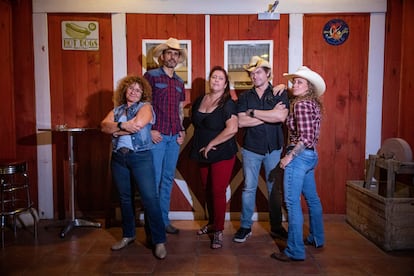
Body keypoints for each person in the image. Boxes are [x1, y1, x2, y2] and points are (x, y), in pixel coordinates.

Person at [100, 75, 167, 259]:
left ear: (142, 94)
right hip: (119, 159)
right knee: (125, 199)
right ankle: (128, 235)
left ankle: (159, 240)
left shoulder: (145, 107)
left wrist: (115, 131)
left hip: (140, 157)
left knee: (150, 198)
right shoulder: (117, 110)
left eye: (138, 90)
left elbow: (137, 125)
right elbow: (104, 126)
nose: (134, 92)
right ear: (125, 90)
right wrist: (122, 125)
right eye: (131, 89)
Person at [271, 66, 326, 262]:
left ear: (308, 87)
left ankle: (295, 251)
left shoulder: (301, 105)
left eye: (299, 82)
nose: (295, 84)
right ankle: (317, 238)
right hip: (311, 157)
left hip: (299, 155)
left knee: (292, 203)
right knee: (312, 199)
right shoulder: (312, 104)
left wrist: (289, 157)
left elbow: (305, 137)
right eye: (294, 81)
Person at [233, 56, 289, 243]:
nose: (254, 76)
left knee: (275, 190)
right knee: (249, 188)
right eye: (251, 73)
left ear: (267, 74)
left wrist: (254, 113)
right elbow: (241, 121)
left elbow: (281, 117)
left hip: (273, 149)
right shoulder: (244, 97)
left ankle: (276, 226)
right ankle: (245, 226)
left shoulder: (280, 93)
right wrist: (270, 115)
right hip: (251, 149)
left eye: (258, 72)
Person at [190, 66, 238, 249]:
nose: (216, 80)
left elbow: (232, 129)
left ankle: (218, 230)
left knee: (218, 191)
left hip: (222, 152)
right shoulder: (201, 99)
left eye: (220, 78)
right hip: (202, 153)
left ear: (225, 84)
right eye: (214, 77)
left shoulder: (228, 103)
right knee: (207, 189)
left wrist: (211, 143)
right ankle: (211, 223)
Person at [144, 37, 187, 234]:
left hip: (173, 137)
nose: (172, 56)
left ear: (178, 58)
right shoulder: (151, 76)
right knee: (154, 180)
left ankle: (163, 220)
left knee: (168, 178)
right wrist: (149, 129)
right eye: (169, 53)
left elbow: (179, 109)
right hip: (157, 135)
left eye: (176, 53)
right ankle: (153, 224)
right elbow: (144, 105)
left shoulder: (179, 82)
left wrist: (182, 130)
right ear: (162, 57)